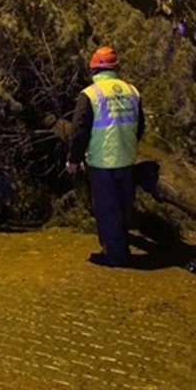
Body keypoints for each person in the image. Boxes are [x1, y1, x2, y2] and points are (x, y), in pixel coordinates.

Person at [65, 46, 144, 267]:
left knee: (107, 210)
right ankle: (122, 246)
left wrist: (73, 159)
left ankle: (114, 255)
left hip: (102, 162)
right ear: (116, 68)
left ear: (92, 70)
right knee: (123, 206)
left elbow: (79, 130)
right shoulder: (132, 92)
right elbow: (140, 126)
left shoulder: (90, 95)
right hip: (126, 159)